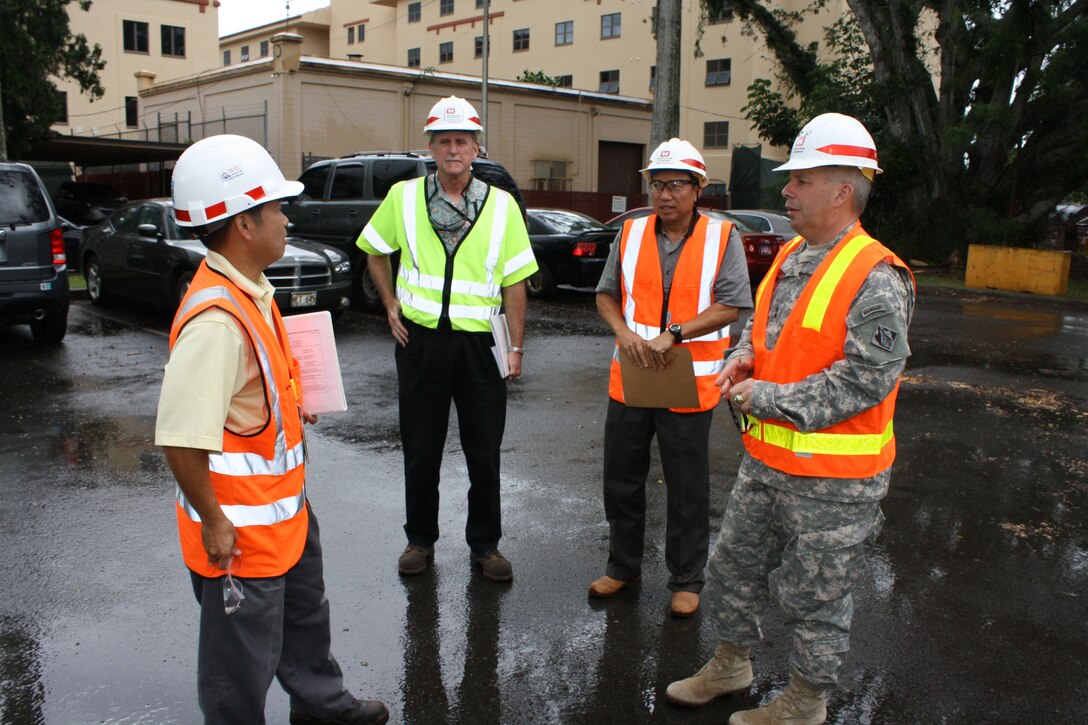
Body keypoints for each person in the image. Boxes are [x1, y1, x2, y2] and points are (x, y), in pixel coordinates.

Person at [665, 113, 915, 724]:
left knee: (816, 593)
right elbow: (767, 335)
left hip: (836, 479)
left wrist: (767, 400)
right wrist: (740, 358)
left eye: (800, 180)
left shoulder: (877, 276)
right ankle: (731, 663)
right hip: (770, 460)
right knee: (733, 567)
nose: (787, 191)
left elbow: (866, 378)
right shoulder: (794, 254)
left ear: (843, 190)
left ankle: (807, 700)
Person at [156, 134, 388, 725]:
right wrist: (214, 524)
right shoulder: (216, 320)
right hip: (241, 538)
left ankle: (323, 707)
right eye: (277, 208)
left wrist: (292, 405)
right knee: (238, 670)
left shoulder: (249, 290)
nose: (287, 218)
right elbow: (181, 439)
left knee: (306, 624)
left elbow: (251, 399)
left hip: (283, 517)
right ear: (243, 225)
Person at [358, 96, 537, 583]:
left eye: (462, 140)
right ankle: (420, 540)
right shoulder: (404, 197)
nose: (453, 149)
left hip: (481, 346)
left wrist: (515, 347)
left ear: (477, 147)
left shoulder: (500, 206)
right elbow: (374, 250)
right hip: (421, 344)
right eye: (444, 141)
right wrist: (390, 303)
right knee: (421, 448)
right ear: (432, 147)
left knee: (485, 451)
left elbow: (515, 281)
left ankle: (486, 545)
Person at [590, 138, 752, 618]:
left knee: (686, 486)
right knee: (621, 478)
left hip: (691, 382)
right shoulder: (632, 233)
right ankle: (622, 567)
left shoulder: (723, 238)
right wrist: (623, 333)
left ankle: (686, 579)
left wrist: (674, 333)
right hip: (633, 378)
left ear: (698, 189)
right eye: (657, 184)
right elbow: (605, 295)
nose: (665, 195)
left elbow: (733, 304)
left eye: (677, 185)